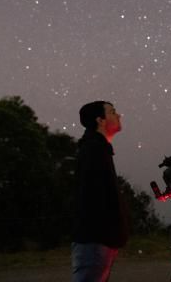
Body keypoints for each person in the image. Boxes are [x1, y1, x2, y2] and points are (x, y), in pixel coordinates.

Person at [71, 101, 129, 282]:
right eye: (112, 112)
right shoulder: (94, 150)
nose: (118, 115)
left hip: (98, 240)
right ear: (100, 120)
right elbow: (94, 198)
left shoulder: (97, 148)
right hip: (96, 240)